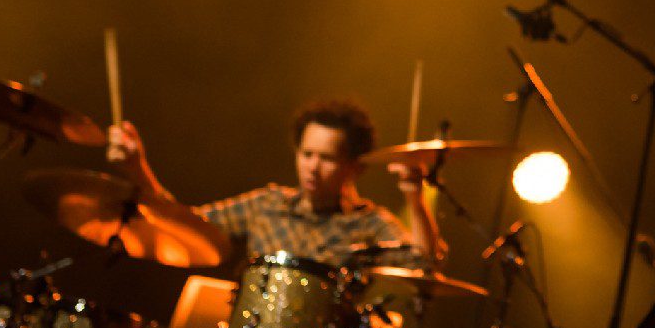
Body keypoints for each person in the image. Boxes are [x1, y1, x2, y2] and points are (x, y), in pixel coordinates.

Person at [108, 98, 446, 269]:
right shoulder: (266, 204)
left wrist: (415, 197)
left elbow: (424, 262)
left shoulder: (369, 223)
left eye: (326, 158)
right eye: (306, 154)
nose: (312, 167)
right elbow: (183, 225)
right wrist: (138, 167)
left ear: (354, 167)